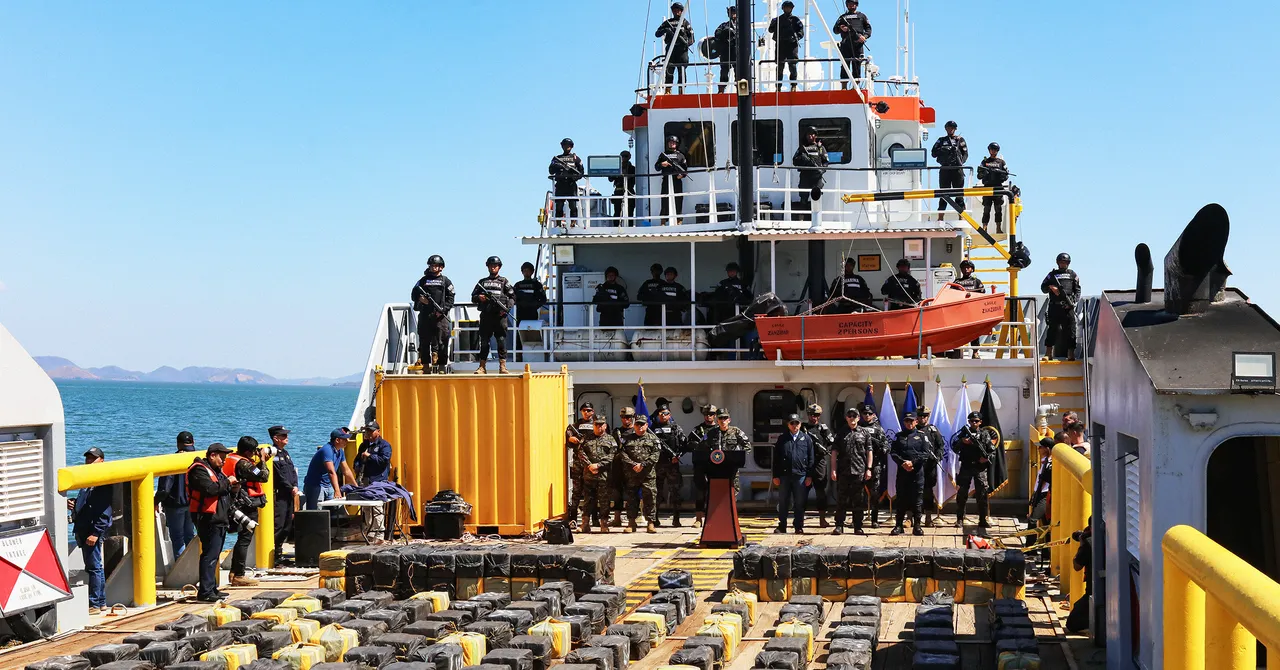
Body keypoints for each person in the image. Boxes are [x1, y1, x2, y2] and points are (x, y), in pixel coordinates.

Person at [187, 442, 234, 603]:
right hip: (208, 518)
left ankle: (212, 588)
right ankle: (205, 591)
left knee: (215, 554)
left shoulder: (216, 471)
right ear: (212, 455)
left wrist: (232, 486)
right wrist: (228, 482)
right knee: (209, 554)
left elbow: (222, 489)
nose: (224, 461)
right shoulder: (199, 470)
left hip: (219, 517)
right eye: (222, 457)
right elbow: (210, 489)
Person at [69, 447, 112, 613]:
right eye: (87, 458)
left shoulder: (102, 482)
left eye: (93, 458)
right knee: (94, 567)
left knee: (94, 567)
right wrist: (74, 504)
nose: (89, 461)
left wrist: (95, 533)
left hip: (91, 531)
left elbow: (105, 510)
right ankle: (100, 602)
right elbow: (87, 503)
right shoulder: (88, 480)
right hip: (84, 529)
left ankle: (95, 603)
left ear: (102, 460)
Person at [225, 436, 269, 587]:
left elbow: (252, 474)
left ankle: (234, 572)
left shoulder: (233, 459)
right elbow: (263, 476)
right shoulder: (244, 464)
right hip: (246, 505)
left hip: (235, 502)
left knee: (242, 538)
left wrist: (259, 462)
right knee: (245, 539)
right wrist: (262, 460)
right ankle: (239, 575)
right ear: (248, 451)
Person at [411, 255, 456, 373]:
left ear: (441, 267)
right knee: (424, 341)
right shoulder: (423, 280)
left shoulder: (446, 281)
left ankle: (441, 366)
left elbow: (451, 298)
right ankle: (425, 366)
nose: (433, 267)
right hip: (425, 315)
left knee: (442, 342)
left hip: (440, 317)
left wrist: (443, 310)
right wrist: (420, 299)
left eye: (436, 265)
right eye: (431, 265)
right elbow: (413, 294)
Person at [772, 414, 815, 534]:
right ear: (788, 424)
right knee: (783, 501)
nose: (794, 426)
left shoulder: (806, 438)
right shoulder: (782, 439)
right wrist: (775, 475)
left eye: (797, 423)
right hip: (784, 475)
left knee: (800, 502)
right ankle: (782, 525)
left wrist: (809, 475)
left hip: (801, 475)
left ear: (800, 424)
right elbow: (776, 458)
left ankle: (798, 526)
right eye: (792, 423)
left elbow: (811, 458)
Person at [473, 256, 516, 375]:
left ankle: (503, 367)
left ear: (499, 267)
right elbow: (473, 297)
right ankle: (482, 367)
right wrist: (479, 297)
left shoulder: (504, 281)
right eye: (491, 266)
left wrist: (506, 309)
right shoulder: (482, 282)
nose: (493, 268)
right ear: (487, 267)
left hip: (500, 316)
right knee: (484, 342)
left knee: (501, 340)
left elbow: (512, 297)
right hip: (486, 316)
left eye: (495, 266)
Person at [832, 408, 873, 535]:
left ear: (858, 418)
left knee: (858, 500)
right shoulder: (841, 433)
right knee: (841, 500)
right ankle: (839, 525)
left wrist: (869, 469)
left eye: (854, 416)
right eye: (849, 416)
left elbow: (869, 451)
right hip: (843, 471)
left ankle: (858, 526)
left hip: (859, 471)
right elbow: (834, 452)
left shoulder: (865, 433)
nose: (852, 418)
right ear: (846, 418)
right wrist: (833, 469)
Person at [890, 412, 931, 536]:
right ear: (904, 422)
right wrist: (903, 463)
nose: (909, 423)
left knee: (917, 500)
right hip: (903, 473)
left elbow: (926, 453)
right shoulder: (899, 436)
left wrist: (912, 463)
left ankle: (917, 526)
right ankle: (898, 525)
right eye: (907, 421)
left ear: (916, 422)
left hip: (917, 473)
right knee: (901, 499)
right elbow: (893, 452)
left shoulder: (922, 436)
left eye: (911, 421)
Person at [953, 411, 996, 528]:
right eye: (971, 421)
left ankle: (982, 519)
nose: (974, 423)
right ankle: (960, 519)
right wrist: (962, 442)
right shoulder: (963, 433)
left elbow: (992, 451)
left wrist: (986, 458)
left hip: (979, 468)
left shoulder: (984, 434)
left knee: (982, 494)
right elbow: (954, 448)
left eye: (976, 421)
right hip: (966, 466)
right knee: (962, 494)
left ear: (980, 422)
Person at [157, 431, 197, 557]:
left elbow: (165, 488)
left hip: (175, 505)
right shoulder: (199, 458)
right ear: (193, 442)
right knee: (189, 535)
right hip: (193, 503)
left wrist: (155, 501)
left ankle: (181, 566)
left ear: (178, 444)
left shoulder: (173, 460)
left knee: (177, 538)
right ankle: (192, 563)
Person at [621, 415, 662, 533]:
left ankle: (650, 523)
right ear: (634, 425)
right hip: (632, 474)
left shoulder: (653, 439)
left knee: (650, 498)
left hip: (647, 474)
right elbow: (622, 454)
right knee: (631, 498)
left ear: (646, 425)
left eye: (642, 424)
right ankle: (631, 523)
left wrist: (643, 465)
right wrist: (633, 464)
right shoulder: (627, 439)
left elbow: (655, 455)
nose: (640, 426)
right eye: (637, 424)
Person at [579, 415, 619, 534]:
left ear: (605, 426)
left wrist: (598, 465)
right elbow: (581, 452)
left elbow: (612, 456)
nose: (599, 427)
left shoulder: (610, 439)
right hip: (589, 475)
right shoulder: (586, 438)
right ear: (593, 425)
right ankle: (585, 524)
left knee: (604, 501)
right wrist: (589, 465)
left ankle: (604, 524)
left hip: (604, 476)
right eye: (596, 424)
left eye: (601, 425)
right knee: (588, 500)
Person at [355, 421, 394, 536]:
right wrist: (357, 467)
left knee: (377, 506)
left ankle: (379, 534)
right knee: (366, 507)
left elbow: (384, 461)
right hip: (365, 480)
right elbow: (357, 459)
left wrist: (370, 456)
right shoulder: (364, 445)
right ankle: (370, 533)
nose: (368, 433)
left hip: (379, 480)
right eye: (367, 430)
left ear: (378, 432)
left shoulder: (384, 445)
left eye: (371, 431)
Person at [652, 402, 687, 527]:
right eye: (660, 414)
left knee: (675, 493)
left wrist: (678, 456)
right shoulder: (652, 429)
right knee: (656, 493)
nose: (663, 416)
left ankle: (676, 518)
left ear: (669, 415)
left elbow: (684, 444)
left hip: (672, 465)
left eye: (665, 413)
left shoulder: (676, 428)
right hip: (658, 465)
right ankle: (654, 519)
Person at [267, 425, 298, 562]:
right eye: (283, 436)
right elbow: (279, 475)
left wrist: (295, 485)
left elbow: (292, 471)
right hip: (280, 495)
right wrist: (290, 487)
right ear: (276, 438)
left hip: (289, 494)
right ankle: (274, 555)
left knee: (287, 525)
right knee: (278, 525)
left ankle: (279, 552)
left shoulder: (285, 453)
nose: (287, 438)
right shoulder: (273, 455)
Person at [1041, 253, 1081, 361]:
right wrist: (1051, 287)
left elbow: (1077, 290)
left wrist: (1073, 302)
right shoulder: (1051, 275)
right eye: (1061, 262)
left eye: (1065, 262)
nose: (1063, 264)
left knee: (1071, 330)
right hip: (1054, 307)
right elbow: (1043, 287)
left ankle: (1071, 353)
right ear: (1058, 263)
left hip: (1068, 307)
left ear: (1068, 263)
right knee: (1052, 329)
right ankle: (1048, 353)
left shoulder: (1072, 274)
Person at [857, 403, 891, 527]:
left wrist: (882, 448)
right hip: (860, 463)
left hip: (875, 464)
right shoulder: (857, 428)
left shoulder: (878, 429)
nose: (867, 415)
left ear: (873, 415)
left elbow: (886, 445)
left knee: (875, 492)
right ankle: (858, 519)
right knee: (859, 492)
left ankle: (874, 519)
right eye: (865, 413)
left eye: (869, 413)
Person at [704, 408, 751, 495]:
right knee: (717, 490)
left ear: (729, 420)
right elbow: (704, 447)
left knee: (733, 490)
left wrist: (739, 456)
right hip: (716, 467)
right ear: (717, 420)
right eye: (720, 418)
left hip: (732, 466)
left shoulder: (736, 431)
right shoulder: (711, 433)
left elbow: (747, 445)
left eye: (725, 418)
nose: (723, 421)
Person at [802, 404, 835, 528]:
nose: (813, 417)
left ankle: (822, 519)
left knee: (821, 492)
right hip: (805, 463)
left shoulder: (823, 429)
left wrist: (825, 450)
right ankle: (799, 519)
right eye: (811, 414)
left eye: (816, 415)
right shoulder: (803, 428)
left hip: (819, 462)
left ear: (819, 415)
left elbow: (832, 443)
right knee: (802, 492)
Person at [304, 429, 353, 510]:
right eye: (344, 439)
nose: (347, 441)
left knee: (334, 511)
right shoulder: (327, 450)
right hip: (316, 485)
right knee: (316, 512)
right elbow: (331, 472)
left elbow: (346, 471)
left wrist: (356, 487)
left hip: (329, 485)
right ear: (337, 440)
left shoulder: (340, 451)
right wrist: (337, 491)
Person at [687, 404, 719, 527]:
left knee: (715, 491)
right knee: (700, 492)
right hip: (701, 464)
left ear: (715, 416)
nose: (708, 416)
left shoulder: (719, 430)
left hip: (716, 465)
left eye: (711, 414)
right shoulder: (697, 430)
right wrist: (697, 445)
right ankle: (699, 518)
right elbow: (688, 444)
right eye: (706, 414)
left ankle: (713, 517)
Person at [566, 402, 596, 528]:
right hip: (579, 462)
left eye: (588, 410)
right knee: (577, 492)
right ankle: (573, 518)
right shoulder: (576, 426)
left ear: (593, 411)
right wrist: (570, 438)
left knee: (593, 491)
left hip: (593, 461)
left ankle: (594, 518)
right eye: (584, 410)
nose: (586, 413)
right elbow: (568, 434)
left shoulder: (597, 424)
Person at [916, 406, 946, 526]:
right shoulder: (913, 429)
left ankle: (928, 517)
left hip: (929, 466)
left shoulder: (933, 430)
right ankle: (910, 517)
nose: (922, 418)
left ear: (928, 417)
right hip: (916, 466)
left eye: (925, 416)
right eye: (920, 416)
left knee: (928, 492)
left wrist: (937, 457)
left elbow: (940, 446)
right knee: (913, 492)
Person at [931, 120, 968, 216]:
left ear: (955, 129)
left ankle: (961, 216)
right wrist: (943, 149)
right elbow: (933, 153)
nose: (950, 129)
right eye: (948, 128)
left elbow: (965, 154)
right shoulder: (941, 140)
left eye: (952, 128)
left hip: (957, 170)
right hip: (945, 169)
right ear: (946, 129)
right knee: (943, 194)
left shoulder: (960, 140)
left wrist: (960, 163)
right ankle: (940, 217)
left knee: (959, 195)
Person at [655, 3, 694, 94]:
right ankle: (668, 90)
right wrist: (665, 30)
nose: (676, 12)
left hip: (682, 51)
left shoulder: (685, 23)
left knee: (682, 71)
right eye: (674, 10)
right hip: (671, 49)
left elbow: (692, 37)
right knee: (669, 70)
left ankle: (681, 90)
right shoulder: (668, 23)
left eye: (678, 10)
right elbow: (657, 33)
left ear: (681, 11)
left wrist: (686, 44)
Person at [833, 0, 872, 87]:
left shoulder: (862, 16)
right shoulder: (842, 17)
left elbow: (868, 29)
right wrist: (841, 28)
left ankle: (856, 86)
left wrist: (864, 37)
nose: (851, 6)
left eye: (853, 4)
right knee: (845, 64)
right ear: (847, 5)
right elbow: (835, 30)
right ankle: (844, 86)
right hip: (846, 44)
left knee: (857, 64)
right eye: (849, 4)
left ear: (856, 5)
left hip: (857, 44)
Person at [768, 1, 804, 91]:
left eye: (789, 7)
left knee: (792, 65)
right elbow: (770, 30)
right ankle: (778, 86)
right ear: (783, 8)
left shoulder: (795, 20)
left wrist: (795, 38)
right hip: (781, 45)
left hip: (792, 46)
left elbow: (801, 32)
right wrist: (772, 24)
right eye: (786, 7)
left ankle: (793, 85)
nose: (787, 9)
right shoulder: (778, 20)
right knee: (780, 66)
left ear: (792, 8)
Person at [612, 407, 638, 527]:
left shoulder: (636, 431)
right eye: (623, 417)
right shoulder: (617, 432)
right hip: (618, 466)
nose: (625, 420)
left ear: (633, 417)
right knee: (617, 493)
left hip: (632, 468)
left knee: (632, 494)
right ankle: (617, 518)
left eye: (628, 417)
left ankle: (632, 520)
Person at [1066, 521, 1093, 633]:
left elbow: (1077, 566)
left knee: (1072, 624)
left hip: (1093, 591)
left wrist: (1082, 545)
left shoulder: (1088, 543)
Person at [793, 126, 829, 211]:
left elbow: (826, 162)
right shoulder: (802, 148)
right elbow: (794, 161)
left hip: (816, 177)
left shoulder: (820, 148)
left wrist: (822, 170)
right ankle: (802, 217)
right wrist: (803, 159)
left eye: (812, 134)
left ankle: (817, 216)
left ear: (815, 136)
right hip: (805, 176)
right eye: (808, 134)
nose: (810, 136)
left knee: (816, 198)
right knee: (803, 198)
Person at [549, 138, 584, 223]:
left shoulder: (576, 159)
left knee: (573, 205)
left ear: (571, 147)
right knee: (559, 205)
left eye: (569, 145)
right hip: (560, 184)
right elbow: (551, 170)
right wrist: (559, 166)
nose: (567, 147)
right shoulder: (557, 158)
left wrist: (574, 177)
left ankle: (573, 222)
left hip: (571, 185)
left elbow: (581, 172)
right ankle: (558, 223)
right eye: (565, 145)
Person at [977, 142, 1010, 233]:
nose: (993, 151)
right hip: (987, 187)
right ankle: (984, 228)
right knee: (986, 209)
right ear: (989, 150)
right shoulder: (984, 162)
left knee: (998, 209)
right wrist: (985, 173)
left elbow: (1006, 175)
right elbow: (979, 175)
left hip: (998, 188)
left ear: (997, 151)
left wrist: (1000, 174)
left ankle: (998, 228)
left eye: (995, 149)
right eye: (992, 149)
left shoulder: (1001, 162)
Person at [656, 135, 688, 221]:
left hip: (677, 180)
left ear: (676, 144)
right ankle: (663, 220)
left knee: (678, 199)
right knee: (665, 200)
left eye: (673, 142)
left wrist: (682, 175)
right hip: (666, 180)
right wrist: (662, 164)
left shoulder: (680, 155)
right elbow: (656, 167)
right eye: (670, 142)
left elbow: (685, 169)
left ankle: (679, 220)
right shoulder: (663, 155)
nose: (672, 144)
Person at [714, 6, 738, 93]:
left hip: (736, 51)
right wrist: (725, 32)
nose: (733, 15)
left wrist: (734, 33)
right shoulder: (724, 25)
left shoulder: (741, 26)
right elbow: (717, 33)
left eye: (734, 13)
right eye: (731, 13)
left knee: (738, 71)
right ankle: (721, 89)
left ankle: (739, 89)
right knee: (724, 71)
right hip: (725, 51)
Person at [608, 150, 637, 223]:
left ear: (629, 157)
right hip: (618, 191)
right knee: (617, 212)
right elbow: (610, 179)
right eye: (622, 156)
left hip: (629, 191)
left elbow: (636, 180)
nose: (624, 158)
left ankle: (630, 227)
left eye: (626, 156)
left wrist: (628, 176)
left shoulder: (633, 169)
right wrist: (617, 174)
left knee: (630, 212)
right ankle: (616, 227)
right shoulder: (617, 168)